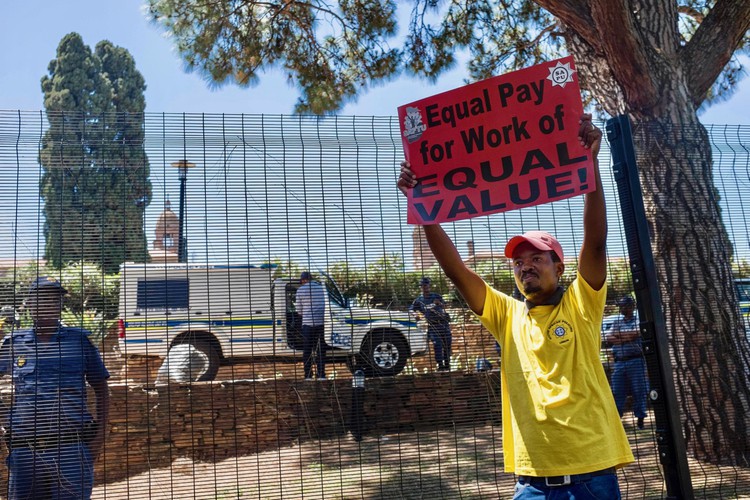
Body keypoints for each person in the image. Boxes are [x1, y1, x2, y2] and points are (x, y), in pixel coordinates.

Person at [398, 115, 633, 498]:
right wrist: (421, 206)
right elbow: (458, 272)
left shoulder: (581, 303)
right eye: (519, 262)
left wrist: (590, 166)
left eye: (537, 258)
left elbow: (595, 242)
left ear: (559, 266)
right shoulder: (506, 314)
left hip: (592, 476)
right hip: (531, 483)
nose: (526, 266)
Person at [0, 276, 110, 500]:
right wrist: (5, 420)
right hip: (25, 451)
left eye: (54, 299)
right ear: (29, 303)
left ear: (60, 305)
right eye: (41, 298)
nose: (48, 304)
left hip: (71, 449)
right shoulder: (14, 344)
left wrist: (100, 436)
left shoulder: (78, 342)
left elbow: (101, 388)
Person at [605, 295, 648, 429]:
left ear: (631, 306)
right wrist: (626, 337)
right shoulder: (617, 320)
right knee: (617, 390)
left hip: (635, 360)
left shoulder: (638, 318)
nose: (622, 309)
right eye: (621, 306)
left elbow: (637, 332)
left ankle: (640, 418)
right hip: (619, 362)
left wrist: (620, 336)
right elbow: (609, 336)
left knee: (639, 390)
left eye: (624, 306)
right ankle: (617, 419)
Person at [410, 277, 452, 371]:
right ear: (420, 287)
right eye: (423, 286)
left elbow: (445, 305)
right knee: (437, 344)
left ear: (429, 286)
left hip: (443, 324)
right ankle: (440, 365)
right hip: (433, 326)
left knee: (447, 344)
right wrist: (415, 314)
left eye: (426, 285)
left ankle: (447, 364)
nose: (425, 287)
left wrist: (439, 304)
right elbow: (411, 309)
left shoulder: (436, 296)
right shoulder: (419, 300)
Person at [296, 271, 327, 380]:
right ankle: (321, 375)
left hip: (308, 324)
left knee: (307, 350)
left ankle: (308, 375)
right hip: (321, 323)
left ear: (304, 280)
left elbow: (299, 311)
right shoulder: (321, 289)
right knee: (320, 350)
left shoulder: (300, 290)